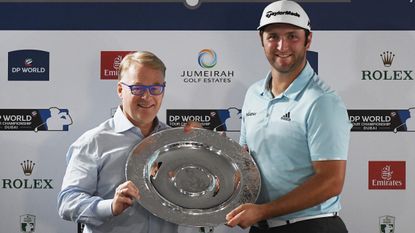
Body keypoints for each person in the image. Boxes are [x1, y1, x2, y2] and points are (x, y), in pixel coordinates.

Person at [225, 1, 352, 233]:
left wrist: (263, 211)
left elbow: (331, 182)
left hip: (311, 226)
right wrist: (201, 145)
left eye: (292, 36)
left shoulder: (321, 100)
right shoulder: (253, 94)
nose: (282, 45)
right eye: (273, 36)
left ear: (308, 40)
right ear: (261, 40)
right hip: (262, 225)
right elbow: (244, 160)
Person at [58, 51, 197, 233]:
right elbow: (67, 202)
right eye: (137, 88)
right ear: (120, 90)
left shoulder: (176, 141)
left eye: (155, 88)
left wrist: (205, 150)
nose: (147, 97)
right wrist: (110, 206)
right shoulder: (93, 142)